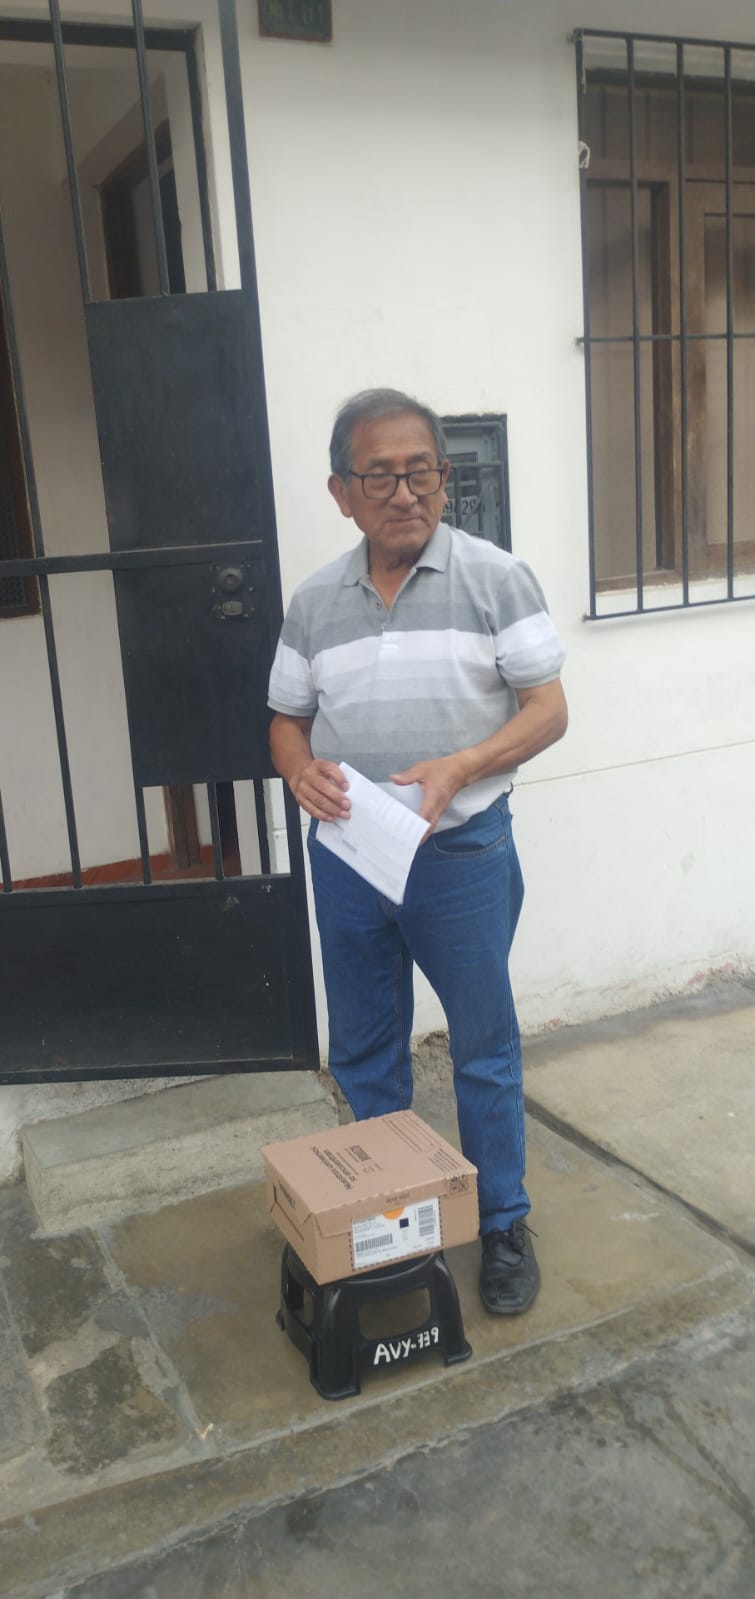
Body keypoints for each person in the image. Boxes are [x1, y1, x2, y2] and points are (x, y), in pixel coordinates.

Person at [267, 389, 568, 1315]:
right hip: (349, 853)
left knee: (482, 1042)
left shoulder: (495, 578)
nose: (404, 493)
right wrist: (298, 771)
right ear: (340, 492)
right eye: (379, 476)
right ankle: (391, 1214)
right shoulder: (314, 601)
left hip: (459, 853)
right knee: (364, 1045)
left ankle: (503, 1220)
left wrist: (462, 766)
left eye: (421, 472)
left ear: (443, 477)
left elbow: (548, 710)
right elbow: (286, 719)